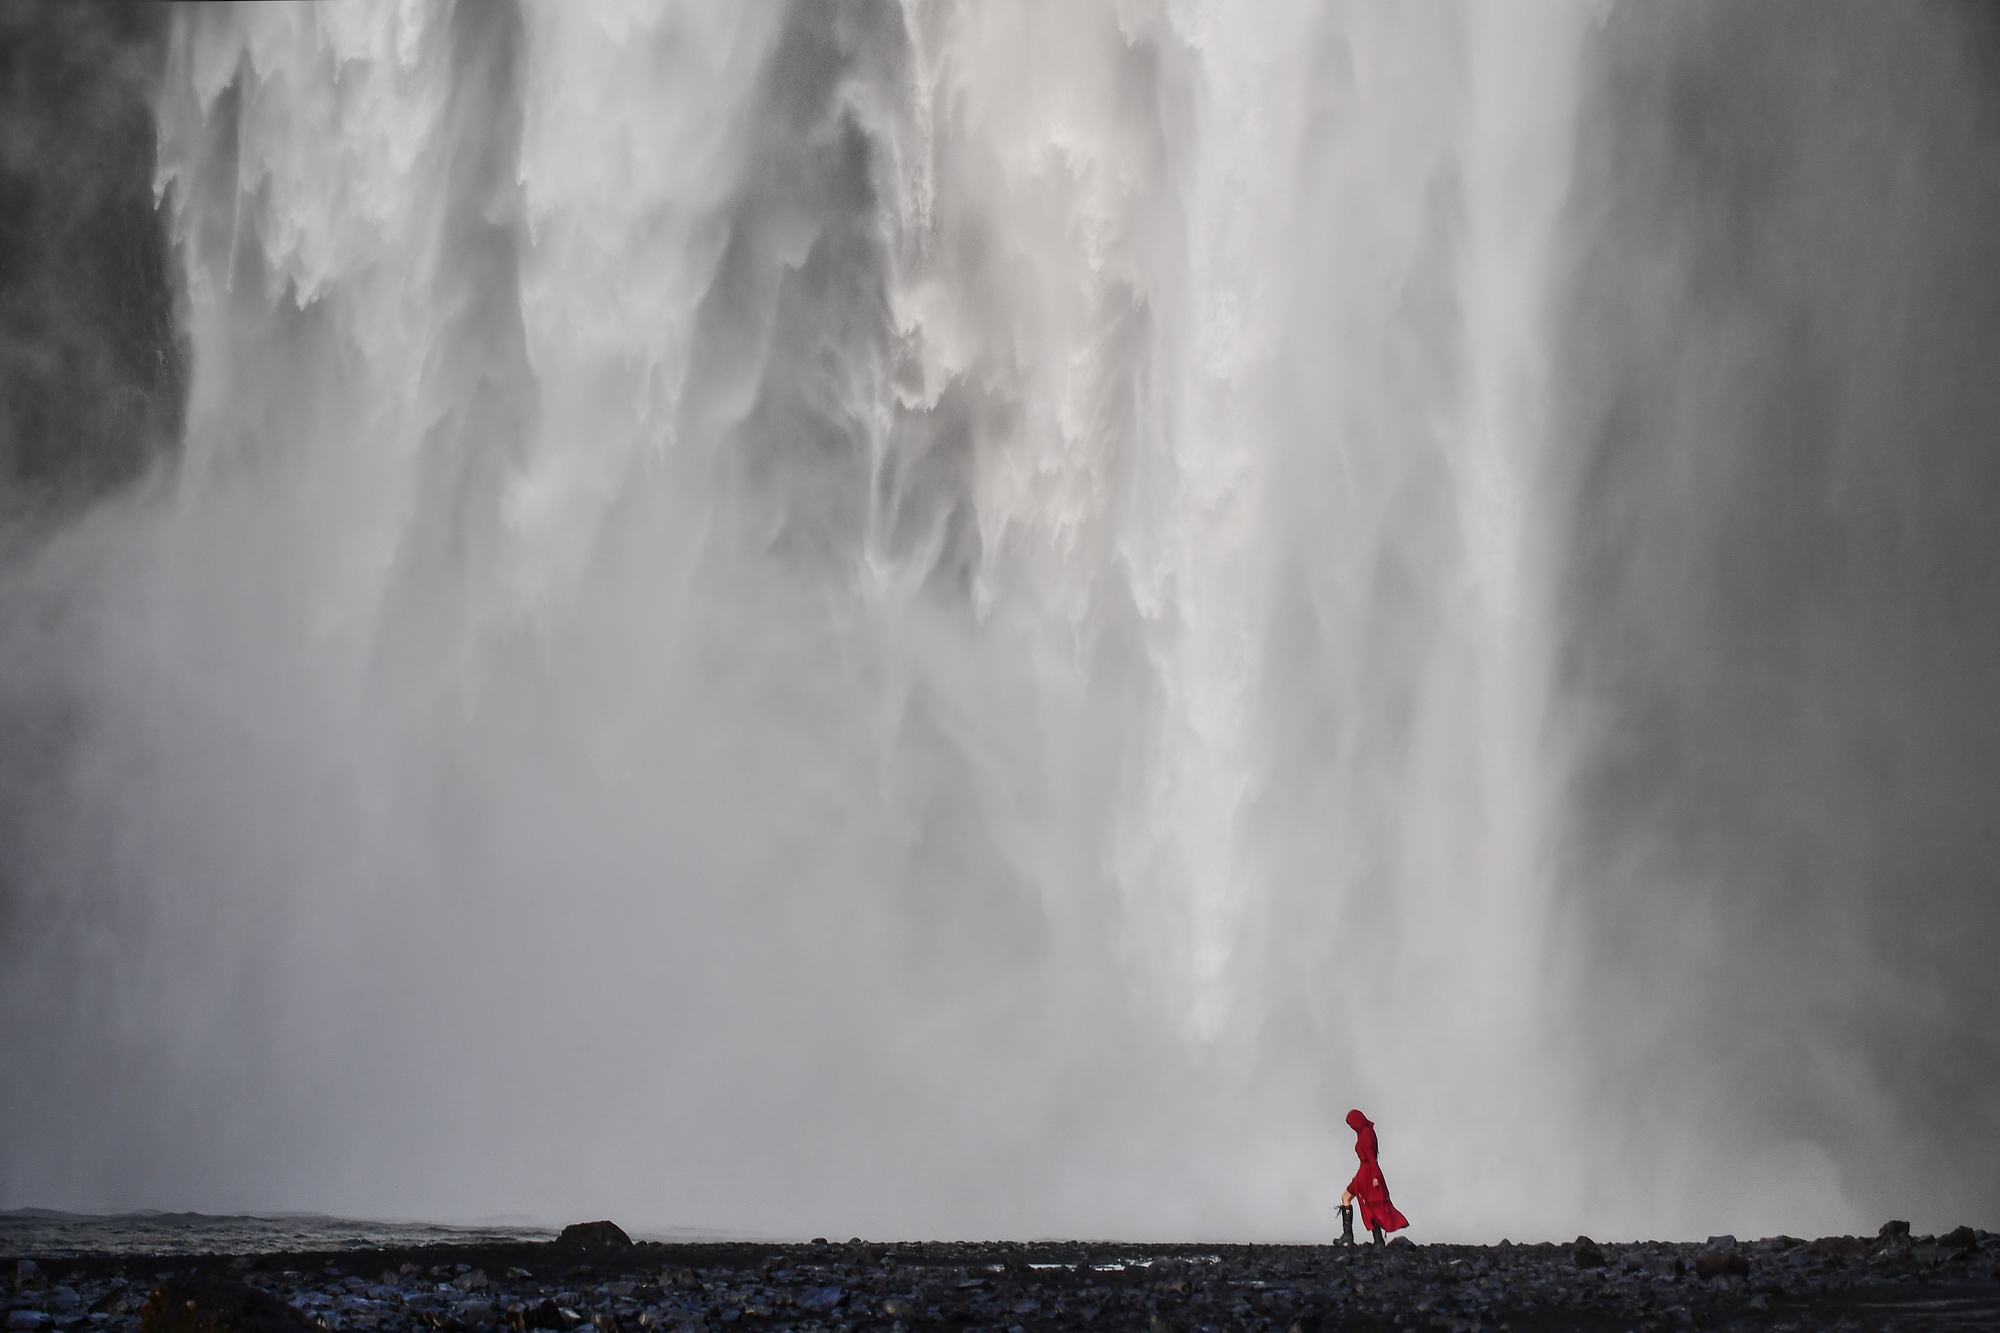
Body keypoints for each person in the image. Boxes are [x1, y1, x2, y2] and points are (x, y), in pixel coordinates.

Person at [1339, 1108, 1410, 1247]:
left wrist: (1375, 1176)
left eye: (1351, 1123)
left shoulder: (1366, 1134)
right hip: (1364, 1172)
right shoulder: (1364, 1132)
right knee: (1348, 1198)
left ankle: (1370, 1238)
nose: (1352, 1127)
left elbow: (1371, 1157)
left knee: (1367, 1204)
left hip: (1367, 1173)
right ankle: (1352, 1235)